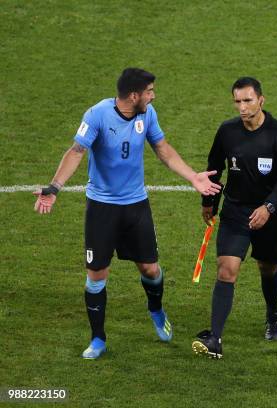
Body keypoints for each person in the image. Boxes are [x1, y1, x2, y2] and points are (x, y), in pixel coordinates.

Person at [33, 68, 221, 360]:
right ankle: (98, 339)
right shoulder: (97, 114)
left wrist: (192, 177)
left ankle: (156, 309)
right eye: (149, 91)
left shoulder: (148, 114)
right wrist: (54, 187)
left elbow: (162, 148)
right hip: (102, 207)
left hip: (136, 205)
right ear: (134, 95)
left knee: (150, 269)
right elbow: (76, 151)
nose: (153, 95)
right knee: (97, 275)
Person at [192, 77, 277, 359]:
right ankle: (215, 337)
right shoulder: (227, 131)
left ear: (261, 100)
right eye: (237, 101)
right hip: (235, 212)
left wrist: (269, 207)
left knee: (268, 267)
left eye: (248, 100)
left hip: (268, 214)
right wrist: (208, 201)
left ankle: (272, 315)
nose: (242, 107)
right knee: (226, 270)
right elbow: (214, 168)